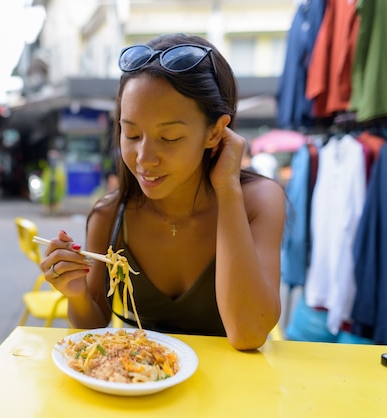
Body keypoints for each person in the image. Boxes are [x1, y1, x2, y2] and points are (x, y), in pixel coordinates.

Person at [38, 33, 286, 350]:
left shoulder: (259, 201)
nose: (143, 158)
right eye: (131, 134)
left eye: (169, 138)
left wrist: (227, 188)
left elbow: (248, 333)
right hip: (140, 388)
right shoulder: (111, 214)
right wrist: (76, 293)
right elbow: (94, 322)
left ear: (215, 132)